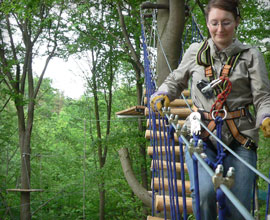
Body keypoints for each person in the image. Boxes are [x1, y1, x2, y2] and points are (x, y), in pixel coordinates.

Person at [150, 0, 270, 219]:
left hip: (240, 137)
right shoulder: (195, 52)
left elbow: (262, 96)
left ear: (236, 22)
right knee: (204, 194)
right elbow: (175, 80)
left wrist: (265, 116)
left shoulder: (251, 55)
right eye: (214, 23)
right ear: (207, 24)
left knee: (239, 205)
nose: (220, 29)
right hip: (200, 133)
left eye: (226, 22)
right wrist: (162, 93)